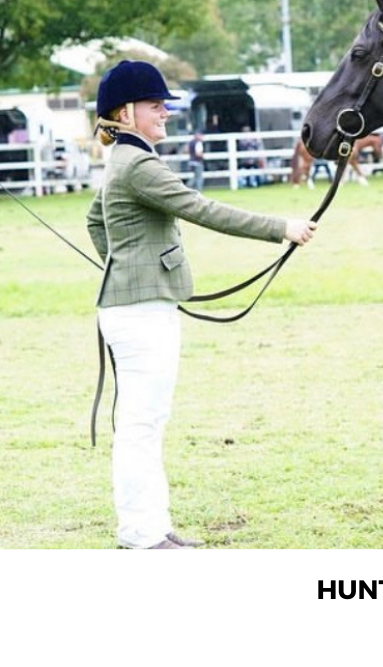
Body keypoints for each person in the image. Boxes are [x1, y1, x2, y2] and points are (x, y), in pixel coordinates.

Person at [85, 60, 318, 550]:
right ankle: (142, 535)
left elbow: (94, 220)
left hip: (137, 306)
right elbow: (200, 208)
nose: (165, 112)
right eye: (155, 105)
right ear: (125, 113)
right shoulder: (139, 165)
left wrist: (126, 265)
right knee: (142, 425)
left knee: (146, 422)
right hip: (140, 313)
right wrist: (282, 228)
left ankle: (151, 527)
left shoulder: (125, 159)